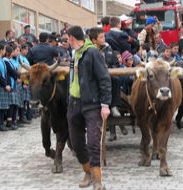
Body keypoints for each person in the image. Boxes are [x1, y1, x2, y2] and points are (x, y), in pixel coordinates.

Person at [67, 25, 111, 190]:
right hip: (74, 103)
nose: (67, 41)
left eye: (67, 39)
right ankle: (87, 170)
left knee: (93, 141)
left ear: (72, 38)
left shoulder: (92, 53)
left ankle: (97, 179)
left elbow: (104, 78)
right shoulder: (73, 54)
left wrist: (105, 104)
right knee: (75, 142)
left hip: (91, 104)